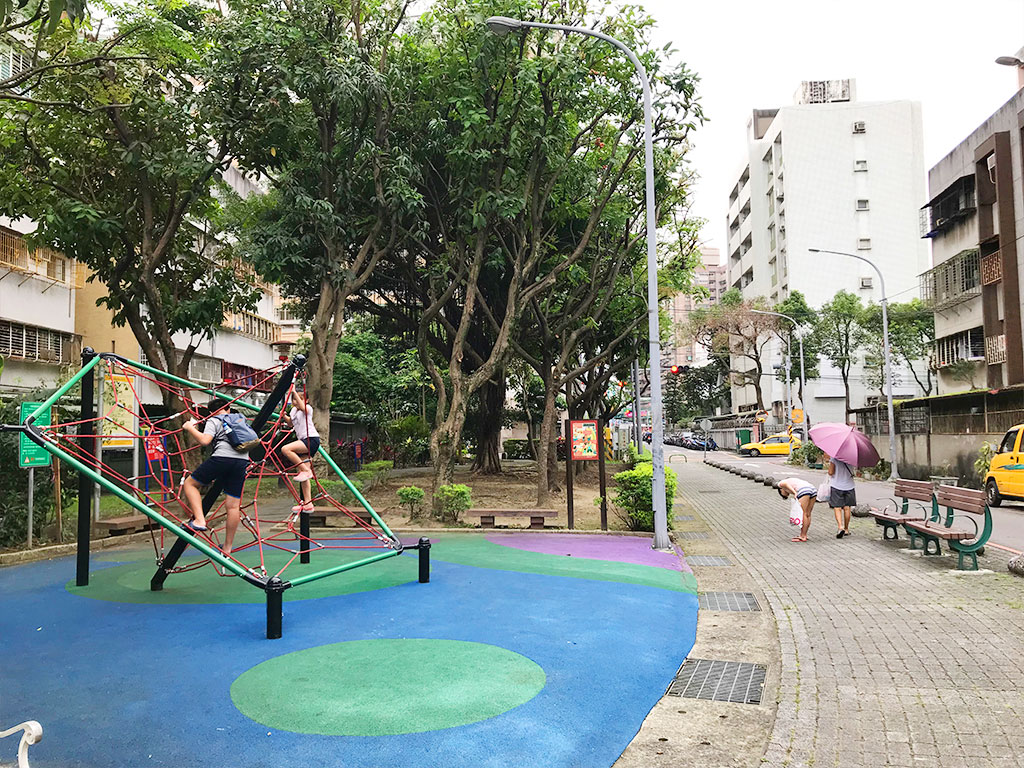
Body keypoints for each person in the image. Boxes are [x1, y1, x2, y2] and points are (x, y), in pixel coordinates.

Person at [180, 399, 252, 557]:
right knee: (233, 506)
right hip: (241, 461)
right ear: (228, 408)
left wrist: (190, 428)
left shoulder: (214, 420)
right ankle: (227, 547)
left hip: (222, 458)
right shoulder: (240, 418)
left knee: (190, 484)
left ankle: (199, 519)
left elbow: (205, 441)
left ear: (211, 412)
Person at [282, 387, 320, 514]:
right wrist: (285, 417)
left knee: (286, 449)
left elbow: (302, 407)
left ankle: (305, 469)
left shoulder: (308, 409)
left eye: (300, 399)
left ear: (306, 400)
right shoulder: (293, 410)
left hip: (311, 439)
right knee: (303, 478)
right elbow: (291, 424)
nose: (296, 401)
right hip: (304, 441)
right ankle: (308, 504)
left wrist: (293, 391)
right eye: (294, 399)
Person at [777, 477, 817, 543]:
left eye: (783, 494)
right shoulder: (793, 481)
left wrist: (794, 493)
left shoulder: (780, 484)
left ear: (781, 490)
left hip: (804, 490)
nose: (786, 494)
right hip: (812, 488)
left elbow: (785, 484)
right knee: (808, 514)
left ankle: (803, 536)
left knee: (803, 513)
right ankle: (804, 535)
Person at [827, 454, 857, 539]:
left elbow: (831, 472)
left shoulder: (834, 458)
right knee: (847, 508)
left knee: (837, 507)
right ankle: (846, 529)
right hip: (849, 486)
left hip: (837, 485)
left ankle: (840, 527)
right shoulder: (852, 457)